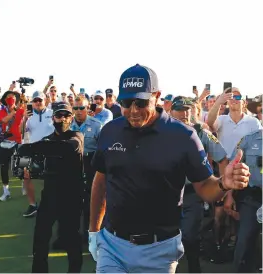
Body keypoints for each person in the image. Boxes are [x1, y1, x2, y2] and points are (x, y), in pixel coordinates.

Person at [88, 64, 251, 273]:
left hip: (159, 251)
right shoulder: (111, 130)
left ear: (156, 96)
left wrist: (223, 183)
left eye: (141, 102)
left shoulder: (183, 136)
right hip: (112, 245)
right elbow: (100, 181)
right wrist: (94, 231)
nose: (134, 110)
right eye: (127, 103)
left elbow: (204, 186)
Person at [170, 96, 229, 272]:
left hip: (193, 193)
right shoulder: (162, 133)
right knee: (169, 238)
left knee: (190, 237)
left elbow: (223, 158)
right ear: (171, 111)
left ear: (194, 111)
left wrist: (224, 186)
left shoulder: (201, 133)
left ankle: (194, 268)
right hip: (167, 194)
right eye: (179, 109)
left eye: (188, 109)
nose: (184, 113)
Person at [31, 102, 84, 273]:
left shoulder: (76, 136)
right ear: (53, 117)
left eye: (66, 115)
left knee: (71, 240)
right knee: (40, 239)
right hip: (49, 196)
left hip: (71, 197)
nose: (62, 119)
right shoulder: (47, 140)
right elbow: (38, 167)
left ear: (71, 117)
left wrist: (32, 147)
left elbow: (70, 147)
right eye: (59, 115)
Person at [226, 129, 262, 272]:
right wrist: (229, 196)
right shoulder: (249, 139)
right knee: (243, 242)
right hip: (253, 199)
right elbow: (233, 168)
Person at [71, 96, 102, 240]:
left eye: (81, 108)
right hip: (72, 164)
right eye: (75, 108)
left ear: (87, 108)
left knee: (91, 198)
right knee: (73, 198)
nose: (78, 111)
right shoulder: (67, 124)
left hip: (91, 163)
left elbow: (102, 150)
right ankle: (73, 231)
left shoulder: (97, 125)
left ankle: (89, 232)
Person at [22, 91, 54, 217]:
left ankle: (50, 204)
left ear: (45, 100)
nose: (38, 103)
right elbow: (21, 131)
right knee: (26, 176)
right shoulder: (28, 116)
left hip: (50, 150)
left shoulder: (52, 114)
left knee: (49, 179)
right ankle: (32, 205)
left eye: (40, 100)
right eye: (35, 101)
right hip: (31, 149)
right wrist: (24, 119)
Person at [0, 90, 24, 201]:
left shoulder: (22, 110)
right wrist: (14, 111)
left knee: (23, 165)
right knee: (4, 166)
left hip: (19, 141)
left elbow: (24, 124)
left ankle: (24, 185)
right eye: (8, 97)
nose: (11, 99)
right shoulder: (2, 111)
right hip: (5, 141)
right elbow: (4, 120)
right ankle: (6, 191)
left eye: (13, 97)